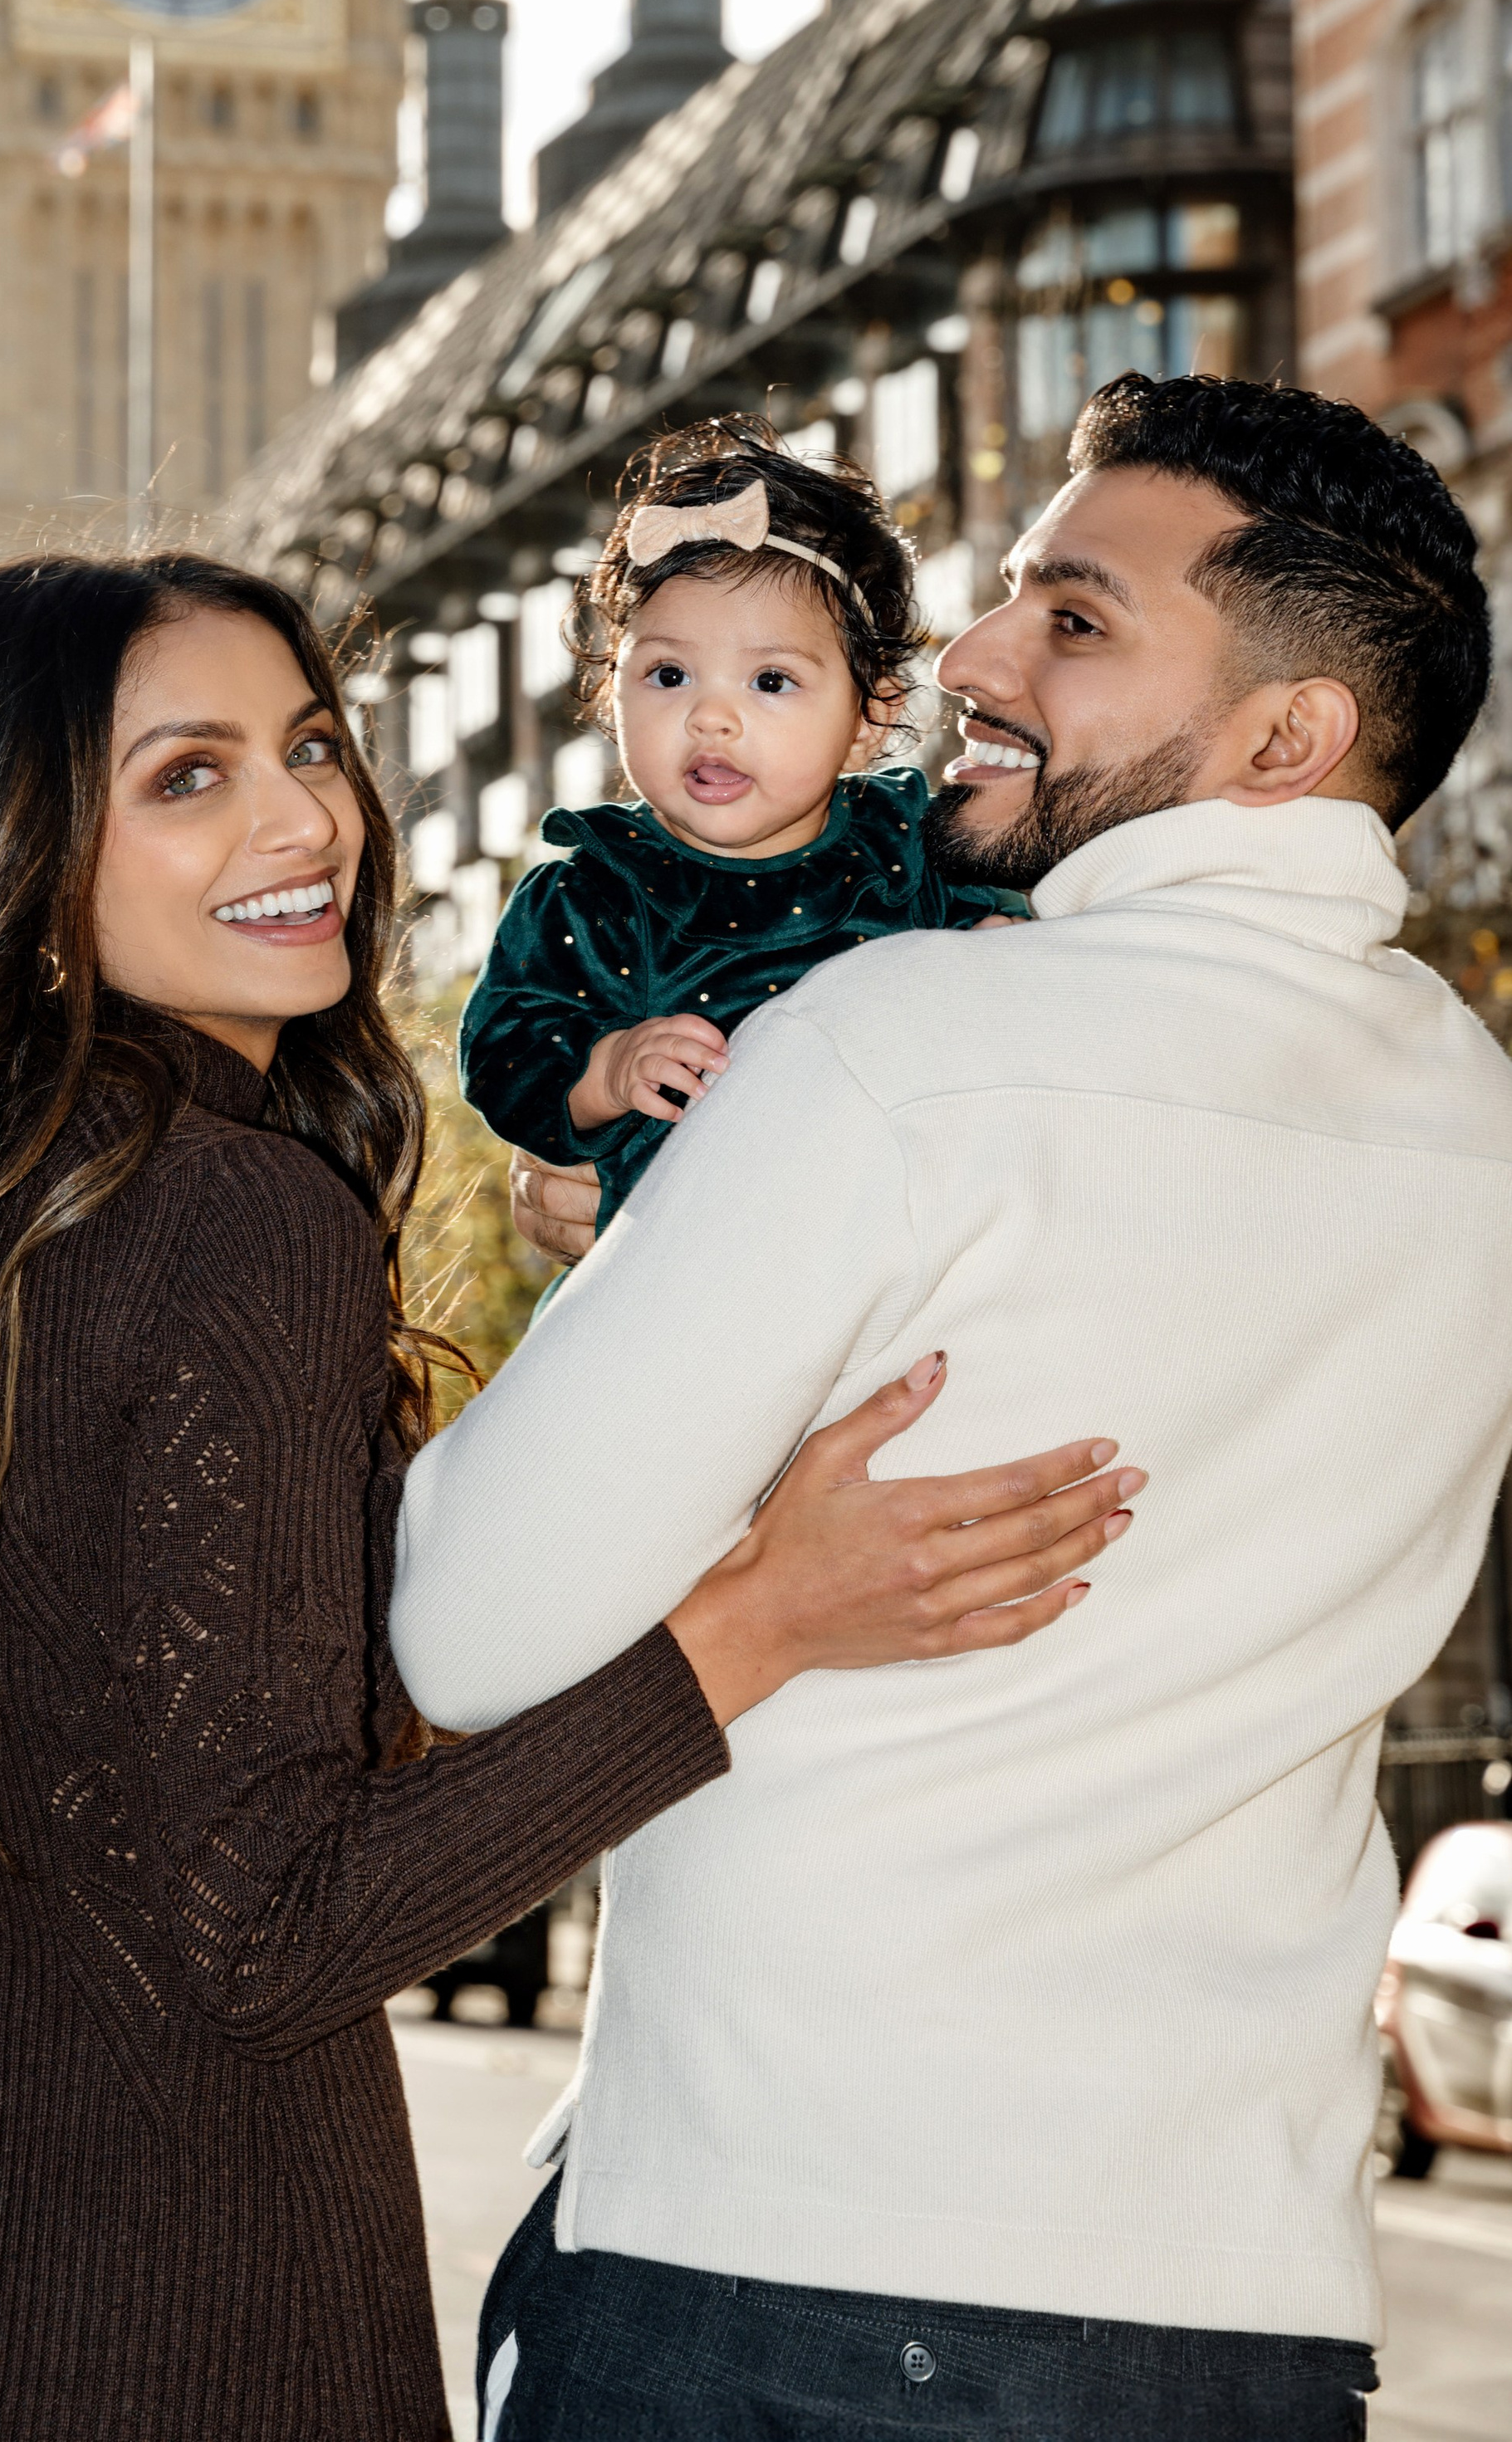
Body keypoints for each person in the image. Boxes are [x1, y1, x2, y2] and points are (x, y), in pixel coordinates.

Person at [0, 551, 1138, 2442]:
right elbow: (268, 1924)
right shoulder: (223, 1219)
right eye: (186, 775)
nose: (304, 820)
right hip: (150, 2333)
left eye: (309, 747)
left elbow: (185, 1768)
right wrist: (758, 1617)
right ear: (23, 866)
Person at [390, 374, 1512, 2442]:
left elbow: (462, 1626)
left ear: (1282, 737)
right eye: (1000, 598)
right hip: (1232, 2308)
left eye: (1070, 621)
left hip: (771, 2256)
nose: (970, 662)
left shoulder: (883, 1044)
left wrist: (628, 1283)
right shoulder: (1477, 1122)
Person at [459, 422, 1018, 1236]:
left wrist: (1004, 953)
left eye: (769, 679)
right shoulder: (596, 891)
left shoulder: (914, 847)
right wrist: (604, 1071)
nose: (710, 716)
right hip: (685, 1260)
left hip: (891, 1233)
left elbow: (1023, 955)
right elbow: (506, 1054)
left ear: (871, 715)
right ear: (607, 691)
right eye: (668, 673)